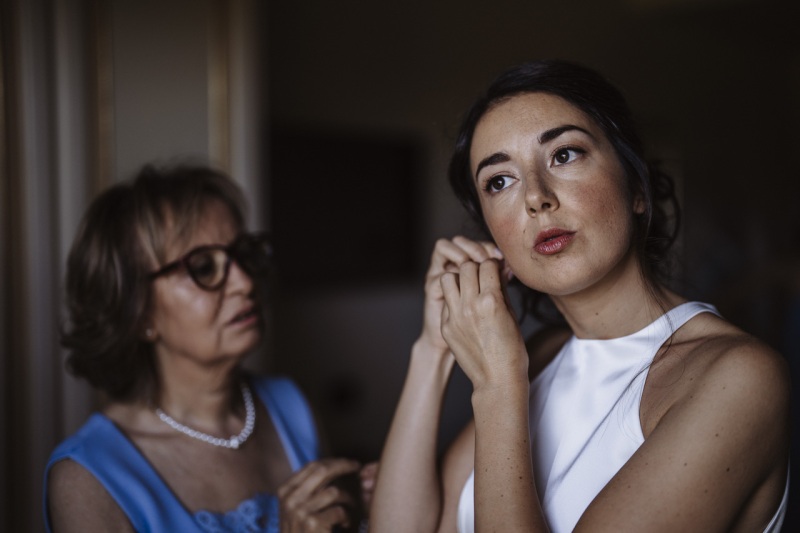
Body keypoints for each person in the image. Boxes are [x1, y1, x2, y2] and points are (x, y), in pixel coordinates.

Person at [370, 60, 791, 532]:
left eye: (564, 155)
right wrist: (433, 350)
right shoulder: (541, 355)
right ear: (494, 234)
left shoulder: (739, 377)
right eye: (500, 181)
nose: (535, 197)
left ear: (637, 186)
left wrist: (497, 387)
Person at [44, 164, 372, 532]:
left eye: (243, 255)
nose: (246, 283)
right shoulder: (86, 479)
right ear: (137, 313)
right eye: (203, 267)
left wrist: (354, 512)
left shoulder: (290, 404)